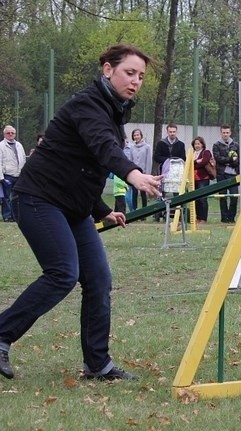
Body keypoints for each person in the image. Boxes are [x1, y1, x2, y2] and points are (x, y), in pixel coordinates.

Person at [0, 43, 162, 382]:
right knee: (62, 273)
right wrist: (133, 174)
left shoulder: (115, 110)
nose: (136, 81)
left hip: (71, 206)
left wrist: (102, 210)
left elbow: (83, 169)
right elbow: (102, 148)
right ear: (107, 69)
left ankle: (98, 365)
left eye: (141, 76)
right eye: (129, 73)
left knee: (98, 279)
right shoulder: (88, 105)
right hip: (38, 198)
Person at [153, 123, 185, 221]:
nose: (172, 133)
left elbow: (183, 158)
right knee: (162, 192)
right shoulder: (161, 143)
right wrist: (167, 160)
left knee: (178, 192)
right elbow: (156, 156)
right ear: (167, 132)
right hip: (164, 171)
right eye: (170, 132)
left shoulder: (180, 144)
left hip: (177, 172)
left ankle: (178, 215)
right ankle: (159, 213)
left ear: (176, 132)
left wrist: (175, 161)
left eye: (174, 132)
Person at [213, 124, 240, 223]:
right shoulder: (216, 145)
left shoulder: (236, 145)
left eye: (227, 132)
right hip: (221, 174)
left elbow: (238, 160)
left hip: (233, 174)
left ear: (230, 133)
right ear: (221, 133)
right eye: (224, 133)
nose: (225, 134)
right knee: (222, 196)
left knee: (234, 196)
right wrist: (230, 159)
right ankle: (224, 218)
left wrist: (232, 161)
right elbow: (218, 158)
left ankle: (231, 217)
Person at [0, 125, 26, 222]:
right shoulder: (1, 146)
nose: (10, 134)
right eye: (8, 133)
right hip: (7, 175)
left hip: (19, 175)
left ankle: (16, 215)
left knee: (17, 197)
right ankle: (7, 216)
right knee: (6, 198)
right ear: (4, 134)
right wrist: (1, 178)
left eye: (12, 133)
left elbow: (23, 158)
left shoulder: (19, 145)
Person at [127, 127, 152, 211]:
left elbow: (148, 161)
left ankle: (144, 211)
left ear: (141, 136)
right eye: (134, 135)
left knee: (143, 193)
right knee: (134, 193)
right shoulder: (131, 147)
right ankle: (134, 210)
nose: (136, 137)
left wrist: (147, 174)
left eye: (137, 135)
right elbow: (130, 160)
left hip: (143, 173)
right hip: (135, 173)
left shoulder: (147, 147)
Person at [192, 136, 213, 224]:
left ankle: (203, 218)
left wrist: (195, 163)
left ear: (202, 144)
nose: (197, 146)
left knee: (203, 199)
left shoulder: (206, 152)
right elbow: (189, 163)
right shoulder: (192, 153)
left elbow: (204, 162)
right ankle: (198, 217)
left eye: (198, 144)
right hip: (194, 179)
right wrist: (197, 161)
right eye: (195, 144)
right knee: (196, 199)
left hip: (203, 179)